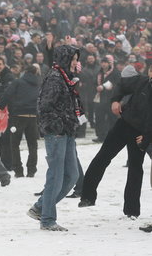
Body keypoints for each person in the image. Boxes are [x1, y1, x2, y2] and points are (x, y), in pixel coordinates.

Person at [79, 65, 152, 219]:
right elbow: (122, 84)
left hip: (141, 133)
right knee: (102, 157)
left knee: (135, 168)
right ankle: (87, 196)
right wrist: (115, 100)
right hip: (124, 124)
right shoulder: (143, 82)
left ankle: (131, 210)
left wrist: (147, 137)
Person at [27, 45, 81, 231]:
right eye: (73, 58)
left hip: (67, 132)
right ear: (65, 59)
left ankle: (40, 207)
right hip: (56, 133)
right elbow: (44, 107)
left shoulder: (66, 78)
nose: (76, 62)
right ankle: (48, 219)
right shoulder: (54, 78)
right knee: (55, 176)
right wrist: (57, 125)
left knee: (71, 175)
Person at [0, 65, 40, 178]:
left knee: (14, 144)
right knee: (32, 144)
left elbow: (7, 94)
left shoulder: (18, 82)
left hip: (18, 116)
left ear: (25, 71)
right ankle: (31, 170)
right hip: (32, 116)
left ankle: (18, 170)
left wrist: (1, 106)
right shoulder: (38, 84)